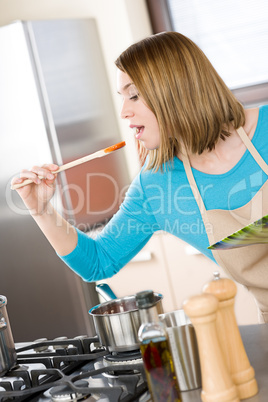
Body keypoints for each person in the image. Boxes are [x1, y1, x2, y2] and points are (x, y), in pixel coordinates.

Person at [12, 31, 268, 322]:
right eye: (122, 98)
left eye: (134, 95)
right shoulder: (156, 184)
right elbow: (98, 261)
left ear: (177, 89)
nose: (124, 111)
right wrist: (41, 209)